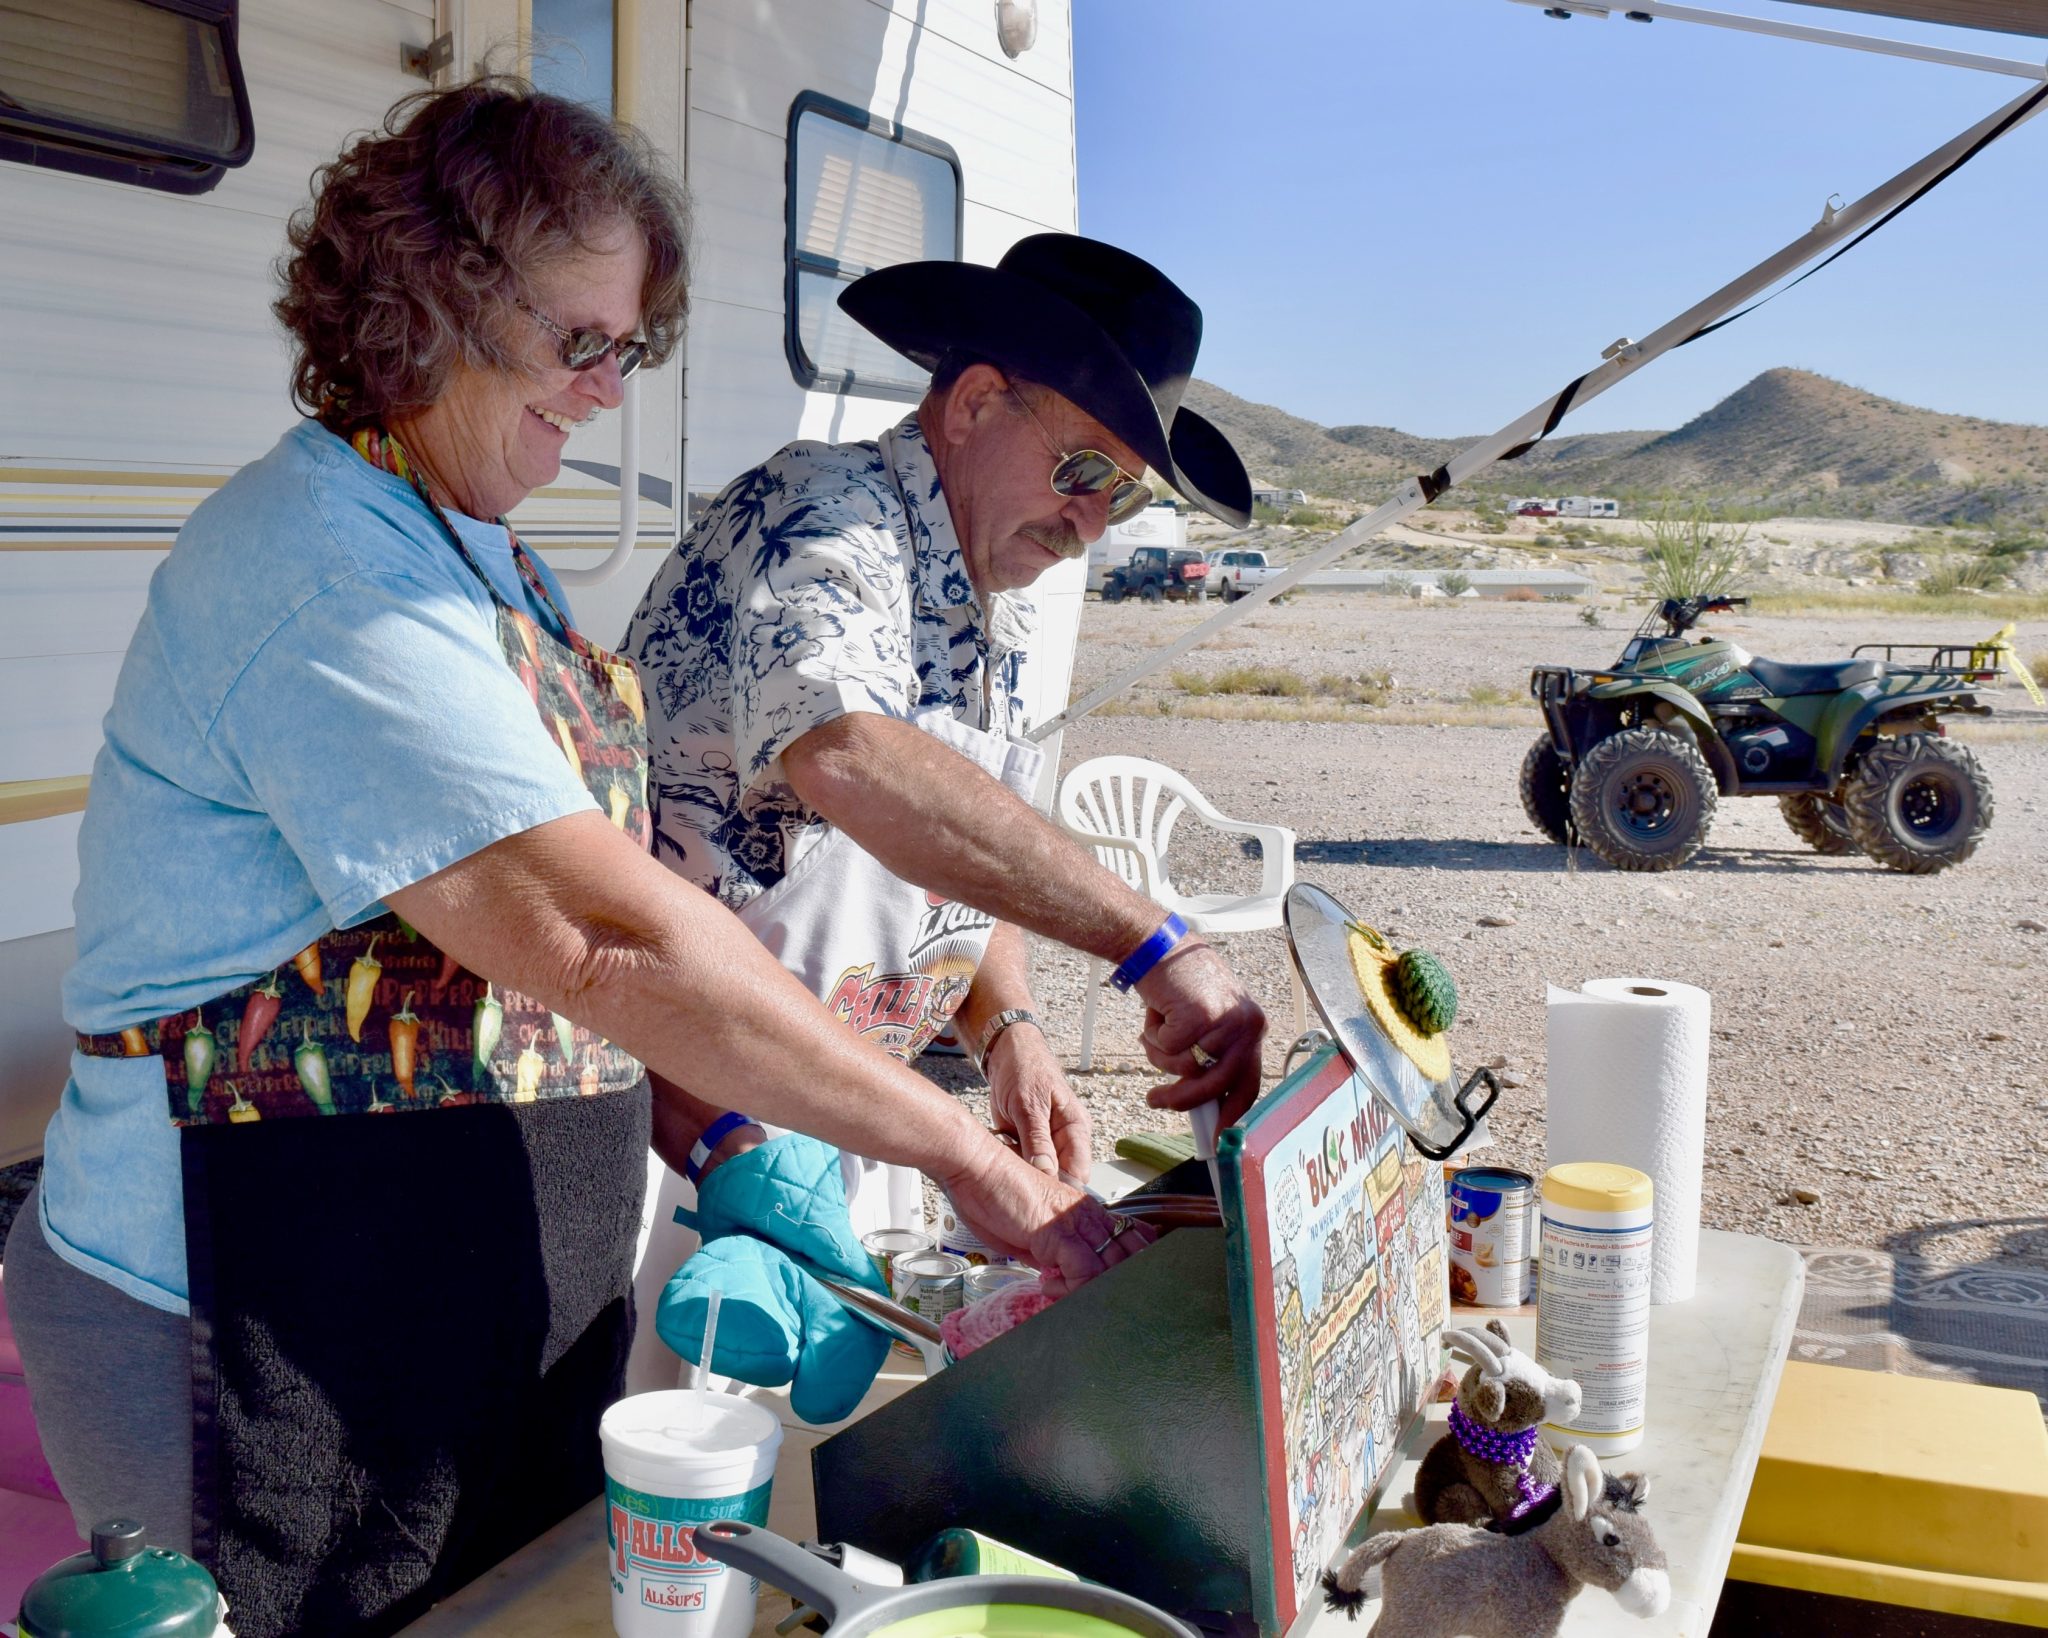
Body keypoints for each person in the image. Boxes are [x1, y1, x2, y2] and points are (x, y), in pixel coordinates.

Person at [2, 83, 1136, 1638]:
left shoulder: (476, 550)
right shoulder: (318, 565)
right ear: (427, 301)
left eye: (630, 350)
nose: (608, 392)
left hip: (442, 1277)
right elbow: (599, 937)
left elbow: (541, 981)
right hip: (245, 1299)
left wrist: (731, 1145)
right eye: (577, 343)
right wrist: (964, 1156)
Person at [624, 234, 1268, 1238]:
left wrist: (1006, 1029)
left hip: (857, 1111)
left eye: (1123, 492)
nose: (1092, 523)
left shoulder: (991, 603)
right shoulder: (824, 514)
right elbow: (849, 755)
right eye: (1083, 466)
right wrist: (1149, 942)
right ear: (971, 404)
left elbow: (957, 844)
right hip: (703, 1134)